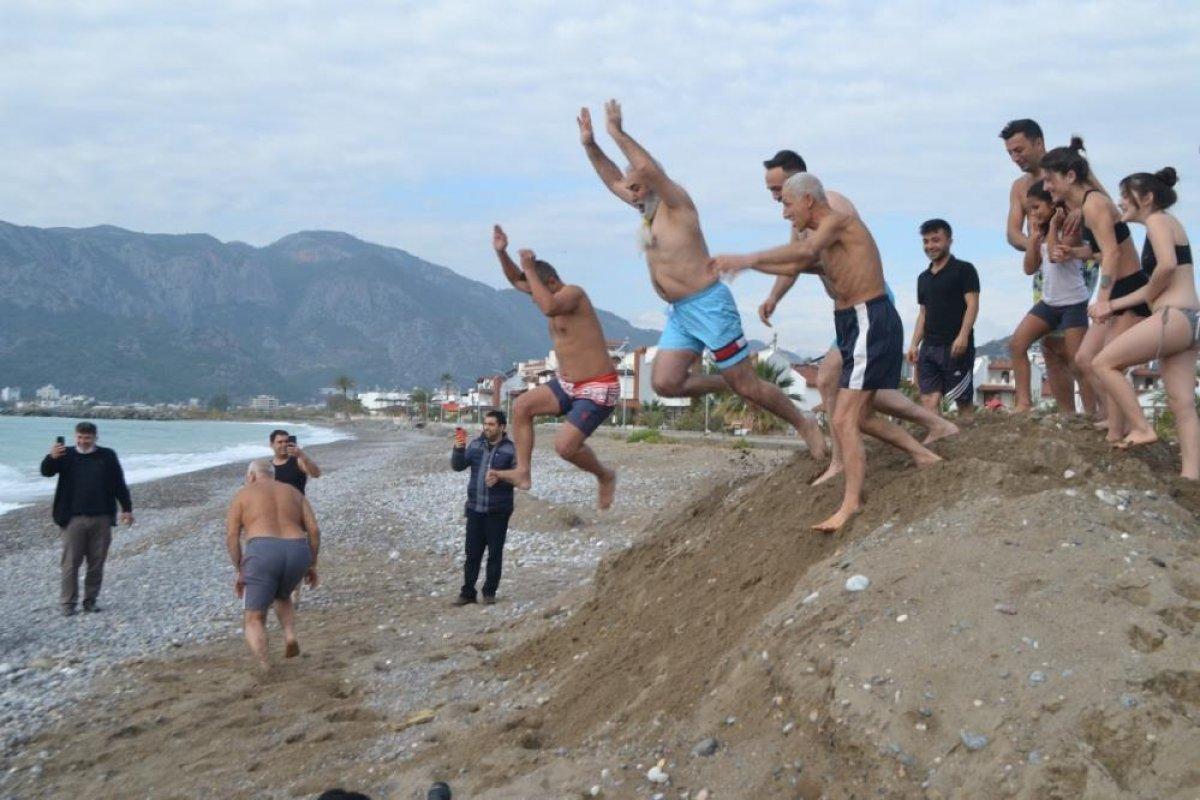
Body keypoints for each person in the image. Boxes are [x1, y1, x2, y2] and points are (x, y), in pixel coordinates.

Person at [578, 101, 826, 459]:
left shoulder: (676, 203)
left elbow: (645, 167)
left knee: (750, 386)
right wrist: (590, 144)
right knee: (665, 382)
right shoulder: (645, 208)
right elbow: (612, 178)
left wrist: (616, 132)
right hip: (680, 312)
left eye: (634, 185)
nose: (628, 191)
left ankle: (804, 423)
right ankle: (731, 383)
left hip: (708, 304)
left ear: (649, 182)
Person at [713, 173, 941, 532]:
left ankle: (851, 504)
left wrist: (746, 258)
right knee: (861, 417)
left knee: (842, 419)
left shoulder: (837, 220)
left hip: (870, 319)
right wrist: (754, 270)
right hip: (852, 323)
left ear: (807, 200)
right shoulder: (824, 240)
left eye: (787, 204)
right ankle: (924, 454)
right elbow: (797, 263)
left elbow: (802, 253)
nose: (785, 214)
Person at [486, 225, 618, 509]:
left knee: (564, 448)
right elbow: (517, 281)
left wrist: (530, 268)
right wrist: (502, 253)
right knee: (522, 407)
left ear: (554, 283)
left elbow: (548, 306)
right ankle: (523, 472)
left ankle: (604, 476)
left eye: (538, 292)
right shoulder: (544, 291)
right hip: (569, 385)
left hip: (598, 387)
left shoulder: (573, 295)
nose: (534, 300)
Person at [1091, 168, 1198, 476]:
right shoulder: (1168, 222)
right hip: (1190, 323)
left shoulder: (1158, 221)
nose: (1122, 202)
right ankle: (1191, 477)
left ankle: (1140, 427)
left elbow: (1165, 267)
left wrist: (1112, 304)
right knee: (1182, 405)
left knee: (1103, 363)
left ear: (1147, 198)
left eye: (1126, 196)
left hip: (1173, 317)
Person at [1041, 137, 1147, 443]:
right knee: (1087, 359)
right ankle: (1118, 422)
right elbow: (1102, 251)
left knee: (1108, 361)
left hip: (1127, 289)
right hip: (1116, 289)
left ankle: (1124, 428)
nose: (1047, 187)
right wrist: (1074, 253)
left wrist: (1102, 299)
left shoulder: (1094, 204)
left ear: (1070, 176)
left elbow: (1113, 254)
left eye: (1050, 180)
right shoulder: (1089, 203)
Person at [1001, 119, 1099, 416]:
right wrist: (1036, 244)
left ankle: (1094, 412)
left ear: (1038, 142)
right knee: (1049, 345)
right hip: (1044, 261)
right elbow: (1012, 232)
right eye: (1010, 153)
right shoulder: (1019, 187)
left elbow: (1100, 199)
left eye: (1019, 150)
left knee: (1074, 348)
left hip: (1080, 258)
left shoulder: (1063, 167)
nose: (1016, 157)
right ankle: (1067, 413)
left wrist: (1081, 209)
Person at [225, 459, 319, 671]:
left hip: (263, 550)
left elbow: (232, 537)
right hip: (297, 549)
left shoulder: (243, 494)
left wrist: (240, 569)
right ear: (273, 475)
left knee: (254, 617)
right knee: (282, 595)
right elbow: (313, 531)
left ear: (251, 476)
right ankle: (289, 635)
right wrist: (312, 564)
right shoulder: (294, 493)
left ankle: (265, 664)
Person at [1008, 181, 1092, 411]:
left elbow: (1056, 255)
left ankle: (1091, 413)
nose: (1032, 214)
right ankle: (1023, 402)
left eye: (1036, 208)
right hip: (1050, 303)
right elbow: (1029, 268)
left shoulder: (1071, 226)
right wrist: (1033, 241)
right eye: (1029, 210)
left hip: (1074, 303)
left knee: (1077, 362)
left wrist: (1054, 226)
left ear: (1052, 204)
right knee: (1017, 344)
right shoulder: (1039, 232)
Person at [40, 421, 134, 616]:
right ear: (75, 437)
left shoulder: (107, 456)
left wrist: (127, 508)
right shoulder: (65, 455)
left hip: (101, 517)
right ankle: (68, 604)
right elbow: (46, 471)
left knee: (96, 563)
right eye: (80, 438)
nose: (83, 441)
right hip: (73, 518)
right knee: (70, 564)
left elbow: (119, 483)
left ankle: (90, 601)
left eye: (87, 438)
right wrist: (51, 457)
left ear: (95, 438)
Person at [907, 219, 979, 418]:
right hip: (929, 348)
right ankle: (938, 439)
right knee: (929, 400)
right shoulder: (923, 278)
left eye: (936, 240)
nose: (930, 246)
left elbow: (972, 304)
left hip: (956, 346)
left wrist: (963, 336)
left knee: (962, 401)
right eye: (926, 241)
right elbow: (923, 313)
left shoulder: (964, 270)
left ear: (949, 241)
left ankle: (968, 441)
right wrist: (914, 344)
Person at [451, 411, 516, 605]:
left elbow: (520, 476)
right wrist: (458, 449)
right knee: (472, 553)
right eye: (485, 424)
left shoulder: (511, 450)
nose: (487, 427)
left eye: (492, 424)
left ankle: (489, 593)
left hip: (498, 510)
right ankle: (467, 593)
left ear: (502, 427)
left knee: (494, 554)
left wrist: (501, 476)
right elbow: (458, 466)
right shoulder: (475, 445)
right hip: (475, 509)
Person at [268, 429, 321, 495]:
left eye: (286, 441)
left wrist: (302, 455)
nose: (284, 444)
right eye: (280, 442)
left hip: (297, 504)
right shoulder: (268, 466)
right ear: (271, 444)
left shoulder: (298, 460)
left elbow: (316, 474)